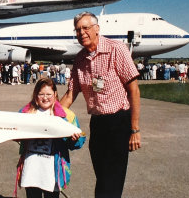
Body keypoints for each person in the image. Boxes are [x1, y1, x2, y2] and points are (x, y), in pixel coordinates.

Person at [60, 11, 141, 198]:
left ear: (97, 29)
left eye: (86, 28)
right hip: (97, 124)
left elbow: (134, 91)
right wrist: (46, 114)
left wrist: (134, 129)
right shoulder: (79, 59)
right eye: (78, 30)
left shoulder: (116, 49)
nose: (81, 33)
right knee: (103, 178)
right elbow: (70, 94)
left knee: (111, 182)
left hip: (118, 122)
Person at [15, 78, 85, 198]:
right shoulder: (25, 112)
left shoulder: (66, 115)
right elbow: (15, 133)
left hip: (52, 170)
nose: (45, 98)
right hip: (31, 167)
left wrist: (74, 139)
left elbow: (79, 142)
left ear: (55, 94)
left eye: (49, 94)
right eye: (41, 94)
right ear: (36, 95)